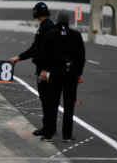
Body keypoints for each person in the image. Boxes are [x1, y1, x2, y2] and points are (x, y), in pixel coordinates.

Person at [38, 10, 85, 142]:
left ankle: (48, 133)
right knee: (69, 105)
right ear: (68, 21)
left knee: (52, 103)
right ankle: (67, 135)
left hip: (55, 73)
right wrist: (78, 73)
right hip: (70, 73)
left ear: (57, 20)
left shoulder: (50, 34)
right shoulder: (76, 35)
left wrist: (44, 70)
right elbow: (81, 57)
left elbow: (44, 54)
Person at [9, 2, 55, 136]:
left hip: (45, 70)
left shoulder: (47, 27)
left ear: (38, 12)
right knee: (46, 99)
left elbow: (48, 51)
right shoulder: (45, 25)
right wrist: (19, 57)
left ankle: (48, 128)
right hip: (43, 68)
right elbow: (35, 48)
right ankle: (50, 126)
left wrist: (45, 69)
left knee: (47, 100)